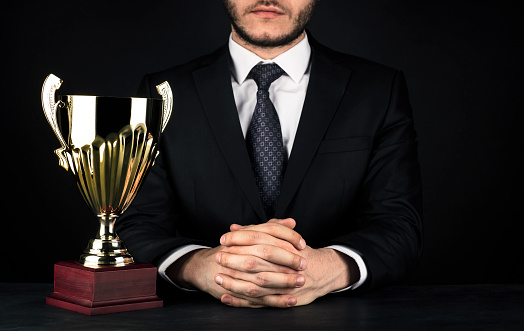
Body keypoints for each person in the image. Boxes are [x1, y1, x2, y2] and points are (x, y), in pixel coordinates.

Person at [116, 0, 423, 308]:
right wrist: (197, 267)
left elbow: (398, 224)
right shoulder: (161, 92)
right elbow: (137, 223)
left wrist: (327, 269)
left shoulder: (379, 90)